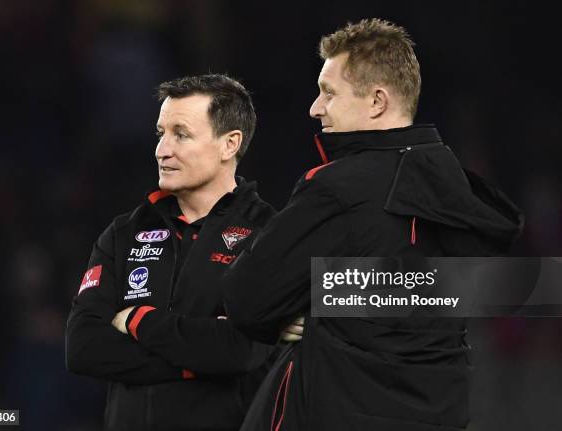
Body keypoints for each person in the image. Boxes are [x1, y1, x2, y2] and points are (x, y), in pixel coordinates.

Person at [222, 19, 524, 431]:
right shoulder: (456, 188)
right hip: (441, 413)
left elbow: (246, 299)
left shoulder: (339, 188)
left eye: (329, 92)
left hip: (340, 410)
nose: (315, 107)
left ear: (377, 101)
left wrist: (307, 307)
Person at [65, 74, 279, 431]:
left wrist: (137, 321)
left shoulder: (269, 233)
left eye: (181, 134)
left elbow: (241, 351)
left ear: (230, 144)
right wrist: (198, 360)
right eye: (160, 133)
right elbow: (84, 348)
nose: (162, 150)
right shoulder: (123, 233)